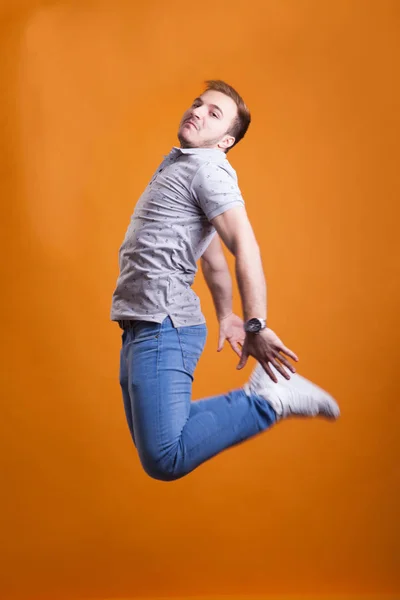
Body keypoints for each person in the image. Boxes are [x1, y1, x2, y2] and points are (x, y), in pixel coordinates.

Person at [110, 80, 340, 482]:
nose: (197, 111)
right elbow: (212, 257)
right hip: (137, 326)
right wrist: (226, 314)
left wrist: (255, 324)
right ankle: (258, 397)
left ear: (226, 141)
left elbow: (244, 246)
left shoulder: (209, 169)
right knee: (155, 447)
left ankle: (267, 401)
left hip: (164, 326)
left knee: (165, 457)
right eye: (198, 104)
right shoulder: (182, 164)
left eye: (213, 113)